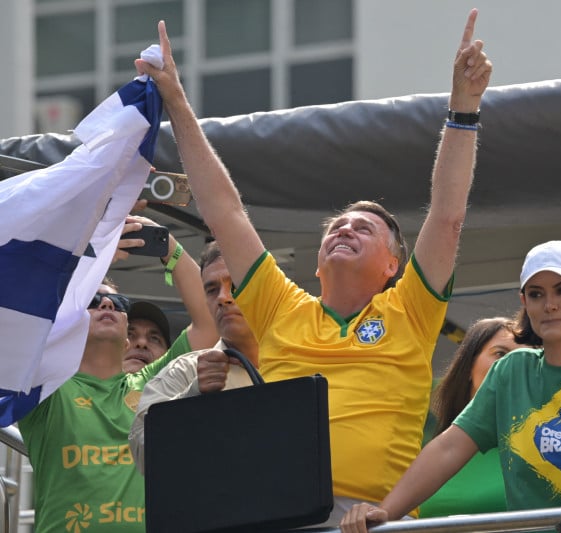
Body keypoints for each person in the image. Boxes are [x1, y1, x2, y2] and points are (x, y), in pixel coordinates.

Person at [136, 8, 492, 526]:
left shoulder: (412, 309)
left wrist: (463, 108)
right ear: (319, 264)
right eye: (336, 227)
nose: (345, 229)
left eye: (364, 228)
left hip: (378, 520)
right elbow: (224, 209)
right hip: (282, 515)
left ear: (395, 265)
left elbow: (448, 215)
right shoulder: (281, 306)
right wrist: (178, 103)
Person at [341, 240, 561, 533]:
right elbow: (449, 447)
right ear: (524, 302)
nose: (550, 304)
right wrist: (387, 513)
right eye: (537, 294)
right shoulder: (511, 371)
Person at [17, 278, 185, 533]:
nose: (107, 304)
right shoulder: (48, 388)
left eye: (118, 304)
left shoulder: (157, 386)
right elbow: (21, 321)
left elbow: (206, 324)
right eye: (93, 301)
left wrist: (170, 251)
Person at [129, 241, 259, 472]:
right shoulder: (184, 372)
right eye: (211, 290)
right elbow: (143, 454)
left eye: (235, 285)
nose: (223, 297)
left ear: (265, 286)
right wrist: (192, 396)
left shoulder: (303, 359)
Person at [419, 317, 525, 517]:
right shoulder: (418, 437)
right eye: (501, 354)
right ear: (468, 366)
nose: (512, 365)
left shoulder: (547, 448)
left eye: (525, 357)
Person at [116, 206, 218, 373]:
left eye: (155, 339)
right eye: (129, 334)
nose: (141, 343)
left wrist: (168, 247)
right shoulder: (70, 385)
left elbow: (211, 322)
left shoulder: (165, 381)